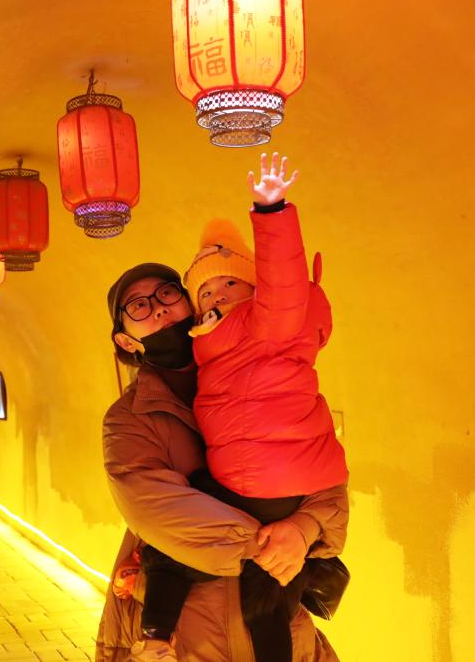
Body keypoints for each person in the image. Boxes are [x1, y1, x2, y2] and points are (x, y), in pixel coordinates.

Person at [121, 153, 348, 661]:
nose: (217, 295)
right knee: (219, 581)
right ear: (125, 338)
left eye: (230, 284)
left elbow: (284, 287)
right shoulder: (133, 414)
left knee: (257, 604)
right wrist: (269, 543)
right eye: (139, 307)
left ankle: (159, 632)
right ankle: (156, 634)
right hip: (199, 635)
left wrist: (272, 213)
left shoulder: (264, 327)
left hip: (265, 498)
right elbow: (154, 510)